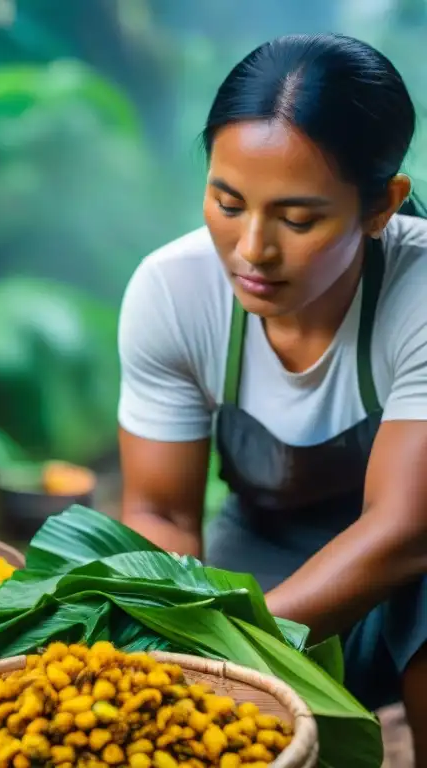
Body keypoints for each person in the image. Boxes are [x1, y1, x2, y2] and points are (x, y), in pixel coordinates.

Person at [116, 32, 427, 764]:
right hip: (258, 560)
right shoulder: (171, 291)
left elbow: (404, 533)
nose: (252, 249)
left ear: (382, 206)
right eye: (227, 203)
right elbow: (159, 513)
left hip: (409, 578)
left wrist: (238, 643)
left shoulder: (418, 294)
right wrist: (188, 632)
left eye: (297, 219)